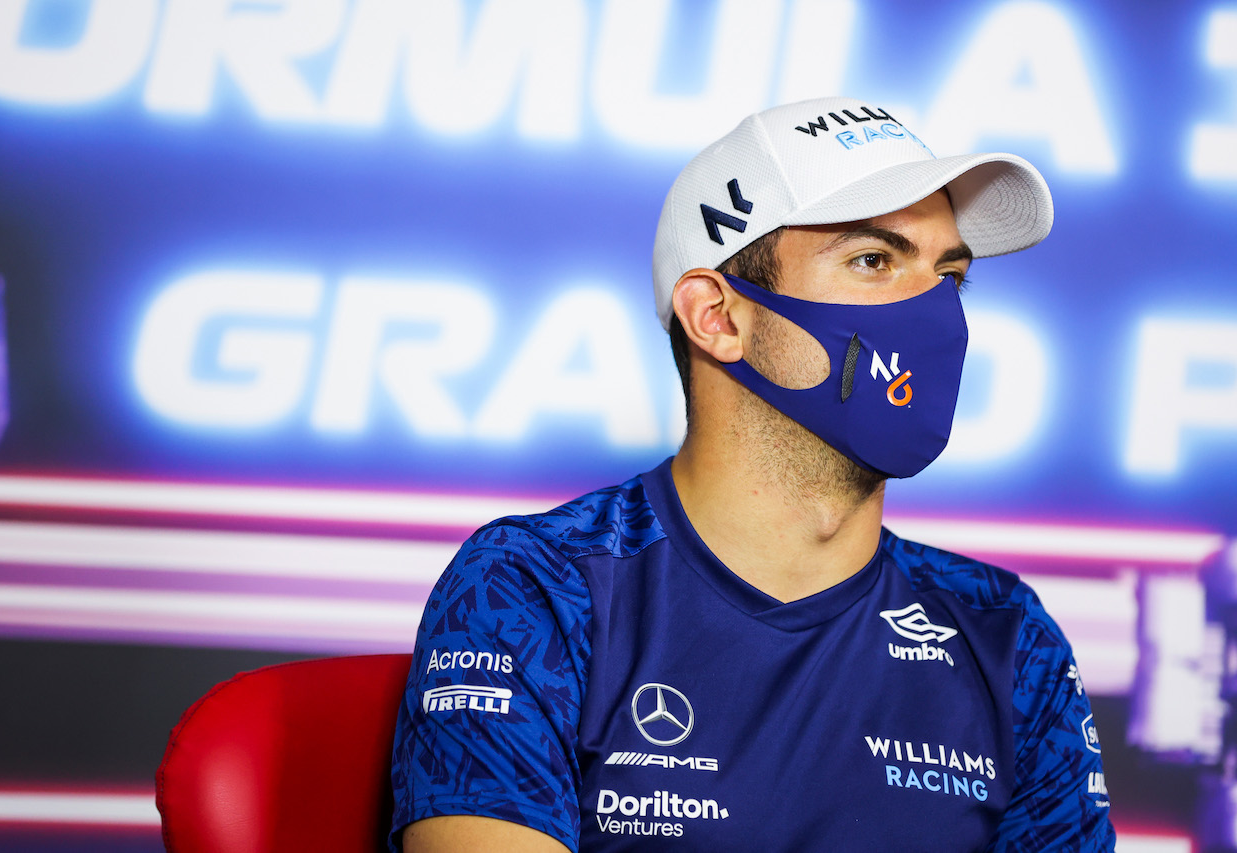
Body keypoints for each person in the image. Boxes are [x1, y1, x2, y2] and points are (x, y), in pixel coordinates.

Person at [388, 96, 1115, 852]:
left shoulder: (1004, 633)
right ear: (718, 317)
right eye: (875, 261)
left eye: (950, 276)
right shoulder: (533, 587)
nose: (935, 312)